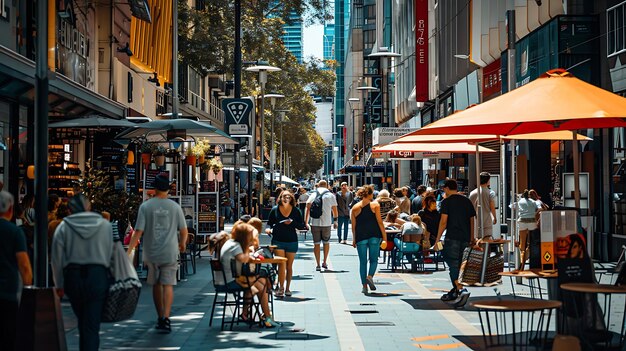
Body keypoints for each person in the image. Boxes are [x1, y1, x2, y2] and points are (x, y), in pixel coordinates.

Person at [126, 173, 188, 333]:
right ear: (168, 189)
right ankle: (166, 318)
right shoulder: (175, 207)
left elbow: (138, 230)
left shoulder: (146, 207)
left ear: (154, 188)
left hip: (152, 251)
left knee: (155, 283)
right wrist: (182, 244)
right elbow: (183, 230)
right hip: (170, 251)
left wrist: (130, 249)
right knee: (168, 284)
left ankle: (160, 316)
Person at [51, 194, 113, 351]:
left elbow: (56, 259)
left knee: (82, 320)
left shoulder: (63, 227)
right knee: (91, 325)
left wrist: (58, 284)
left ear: (70, 209)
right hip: (97, 277)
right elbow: (111, 253)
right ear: (89, 207)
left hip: (73, 277)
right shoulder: (105, 226)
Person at [220, 223, 279, 327]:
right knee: (262, 283)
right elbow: (244, 259)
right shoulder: (235, 246)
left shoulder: (231, 243)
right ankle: (267, 317)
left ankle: (250, 314)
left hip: (227, 279)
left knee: (259, 284)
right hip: (232, 281)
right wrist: (249, 250)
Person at [434, 179, 477, 308]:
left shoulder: (446, 202)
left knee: (452, 264)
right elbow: (472, 220)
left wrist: (437, 239)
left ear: (447, 188)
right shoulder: (466, 201)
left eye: (444, 190)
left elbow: (443, 222)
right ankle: (456, 290)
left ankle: (461, 288)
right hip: (465, 238)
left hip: (452, 237)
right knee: (461, 264)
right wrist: (472, 237)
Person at [0, 191, 32, 351]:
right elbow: (24, 265)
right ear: (10, 209)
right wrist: (28, 288)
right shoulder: (14, 232)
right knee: (8, 335)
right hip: (8, 291)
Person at [266, 190, 307, 297]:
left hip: (292, 241)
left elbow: (301, 226)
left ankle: (288, 288)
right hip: (278, 240)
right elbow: (269, 224)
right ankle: (281, 288)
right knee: (281, 265)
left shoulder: (296, 211)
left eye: (288, 196)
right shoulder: (275, 210)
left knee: (289, 266)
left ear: (291, 199)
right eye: (284, 196)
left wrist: (292, 222)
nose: (286, 198)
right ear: (280, 198)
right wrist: (268, 230)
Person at [350, 185, 388, 294]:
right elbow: (380, 222)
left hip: (361, 236)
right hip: (374, 235)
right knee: (374, 259)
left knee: (362, 262)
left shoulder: (355, 208)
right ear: (370, 194)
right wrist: (384, 237)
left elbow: (353, 226)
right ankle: (370, 276)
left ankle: (364, 286)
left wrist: (354, 239)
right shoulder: (375, 205)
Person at [305, 180, 338, 271]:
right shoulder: (331, 195)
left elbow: (307, 206)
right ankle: (324, 261)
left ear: (318, 186)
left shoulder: (313, 194)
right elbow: (334, 209)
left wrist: (306, 222)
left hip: (314, 223)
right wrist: (335, 221)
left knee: (316, 244)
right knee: (326, 242)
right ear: (327, 185)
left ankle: (318, 264)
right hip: (327, 223)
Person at [515, 189, 539, 272]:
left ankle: (522, 263)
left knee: (522, 243)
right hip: (532, 221)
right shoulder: (533, 201)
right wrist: (534, 214)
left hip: (522, 221)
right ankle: (528, 255)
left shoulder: (520, 201)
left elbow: (512, 207)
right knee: (531, 242)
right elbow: (539, 209)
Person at [468, 172, 497, 239]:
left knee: (477, 243)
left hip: (475, 223)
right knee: (486, 244)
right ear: (488, 180)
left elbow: (469, 208)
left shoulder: (472, 193)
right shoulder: (490, 193)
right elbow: (492, 206)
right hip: (487, 222)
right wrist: (495, 217)